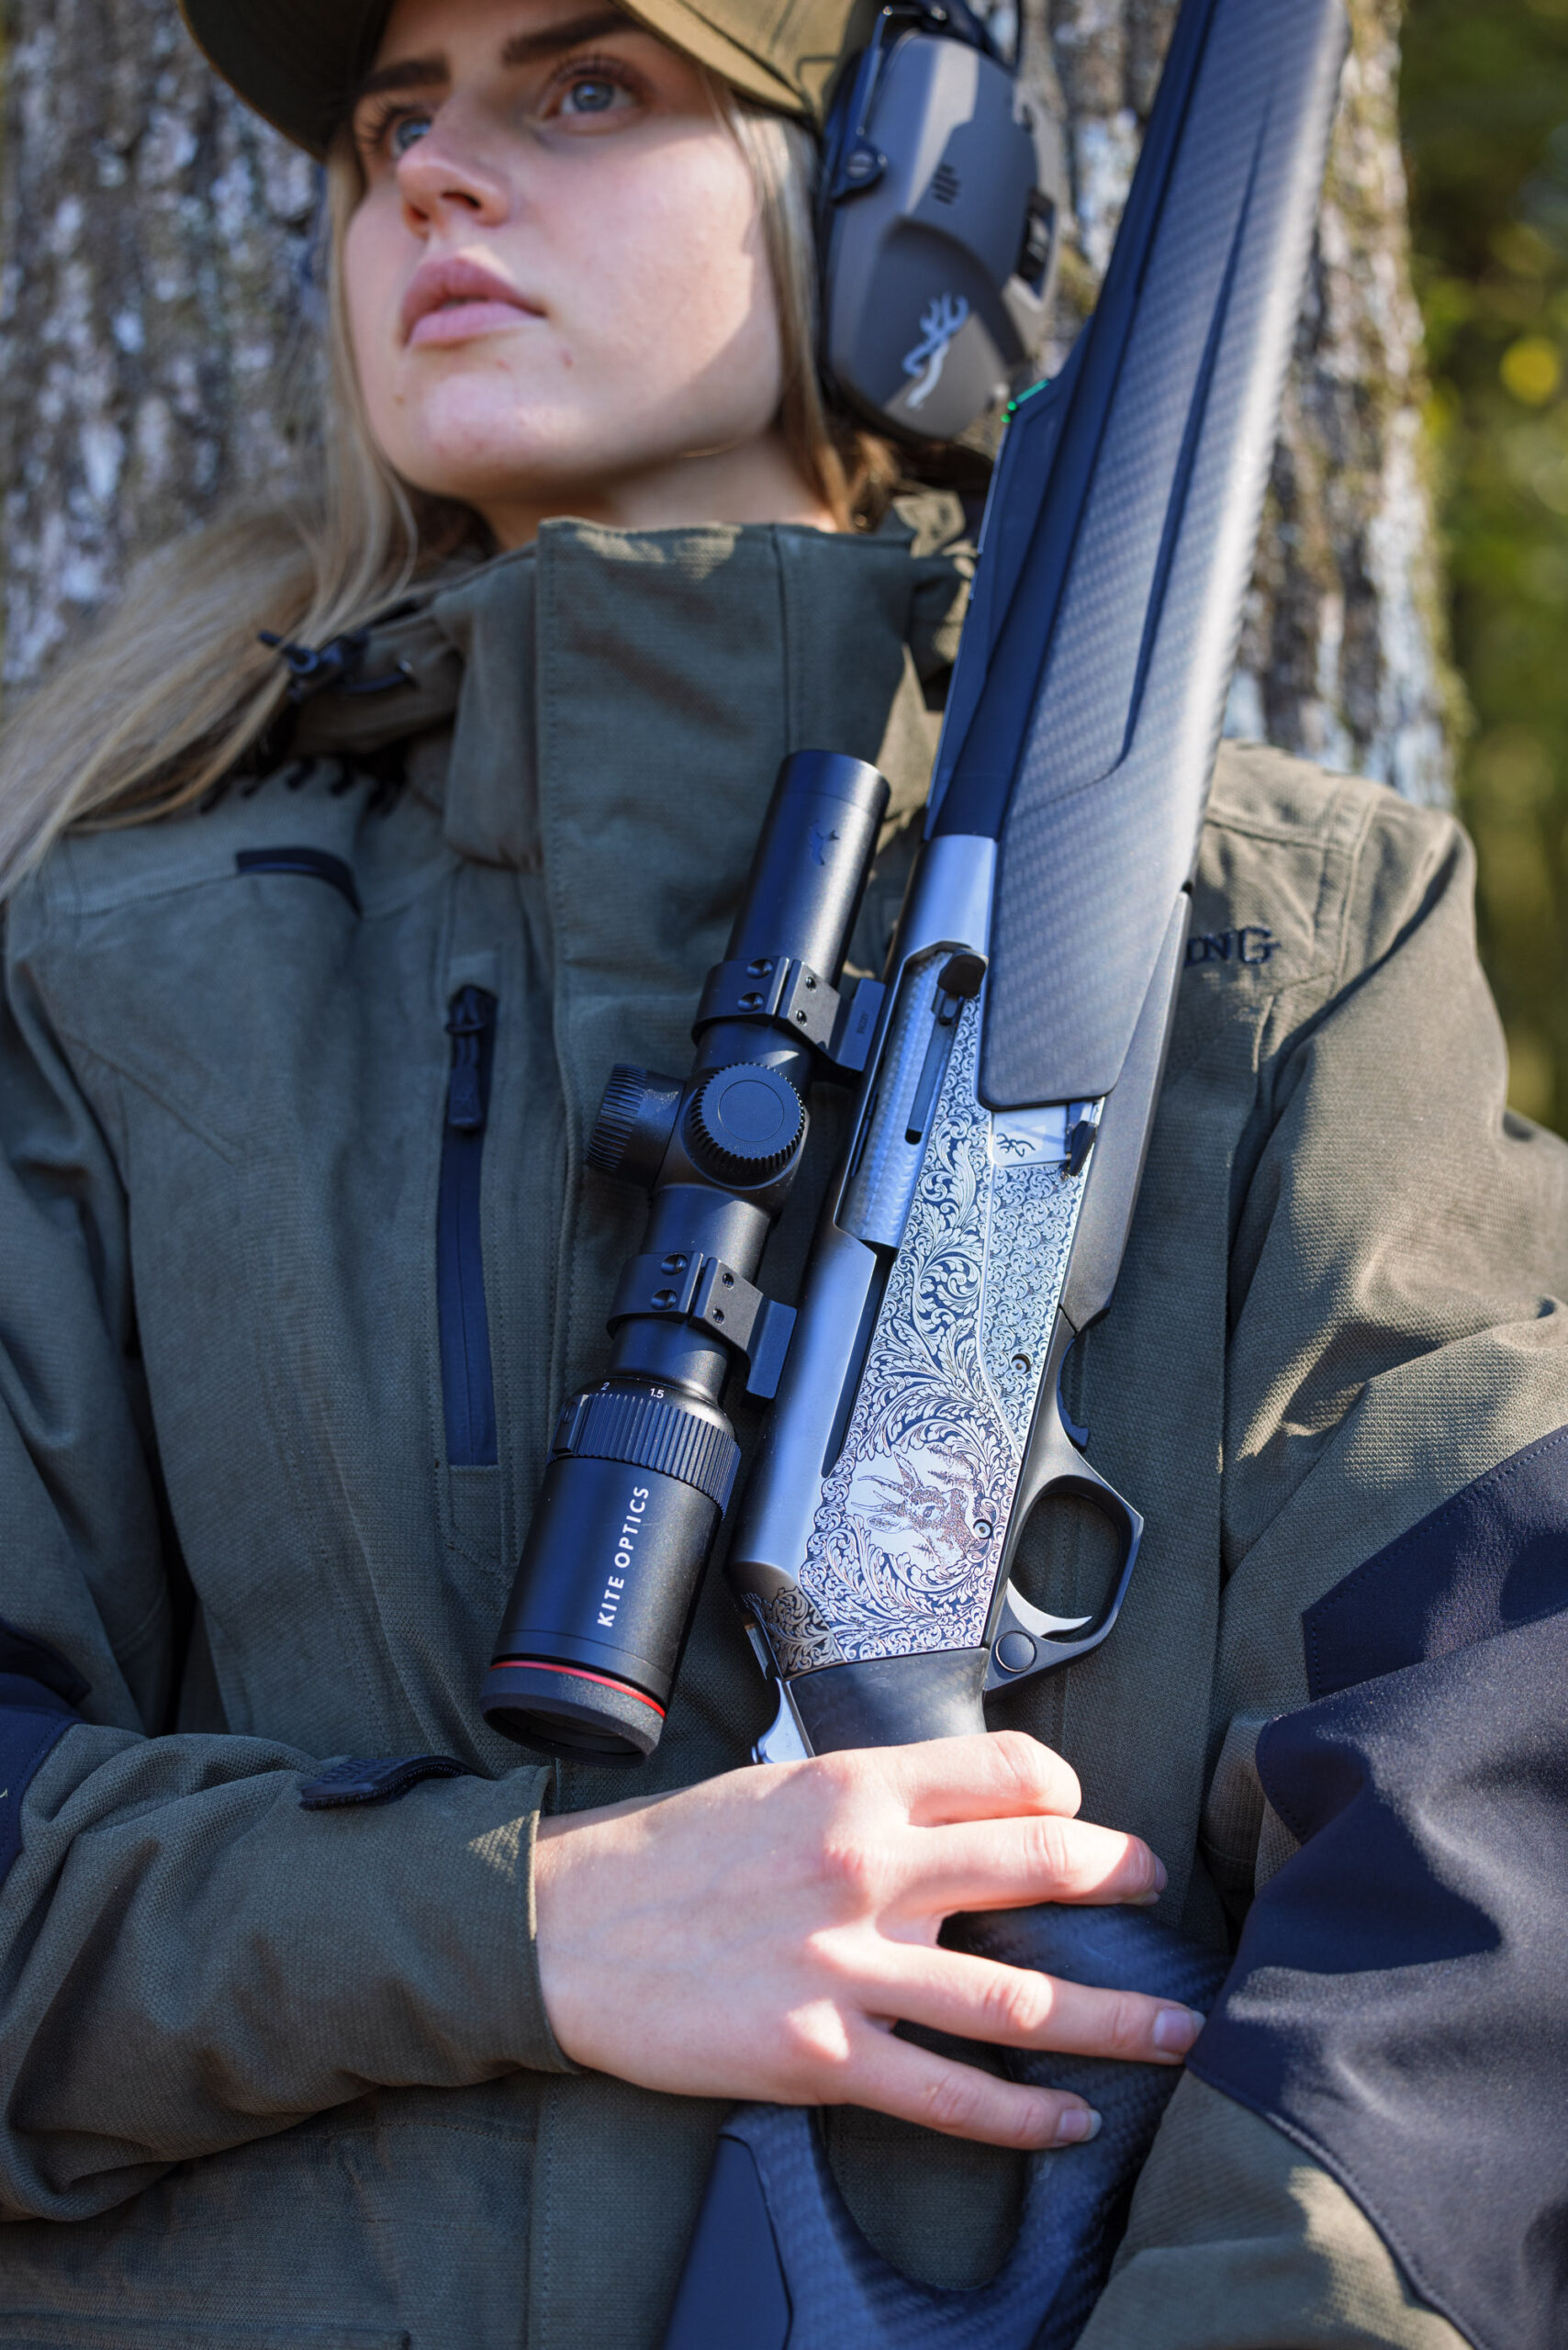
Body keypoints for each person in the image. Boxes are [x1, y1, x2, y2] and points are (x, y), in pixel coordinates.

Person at [0, 0, 1560, 2344]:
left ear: (888, 199)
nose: (431, 175)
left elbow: (1482, 1832)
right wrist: (521, 1922)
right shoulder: (114, 975)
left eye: (585, 87)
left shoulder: (1279, 947)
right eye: (392, 122)